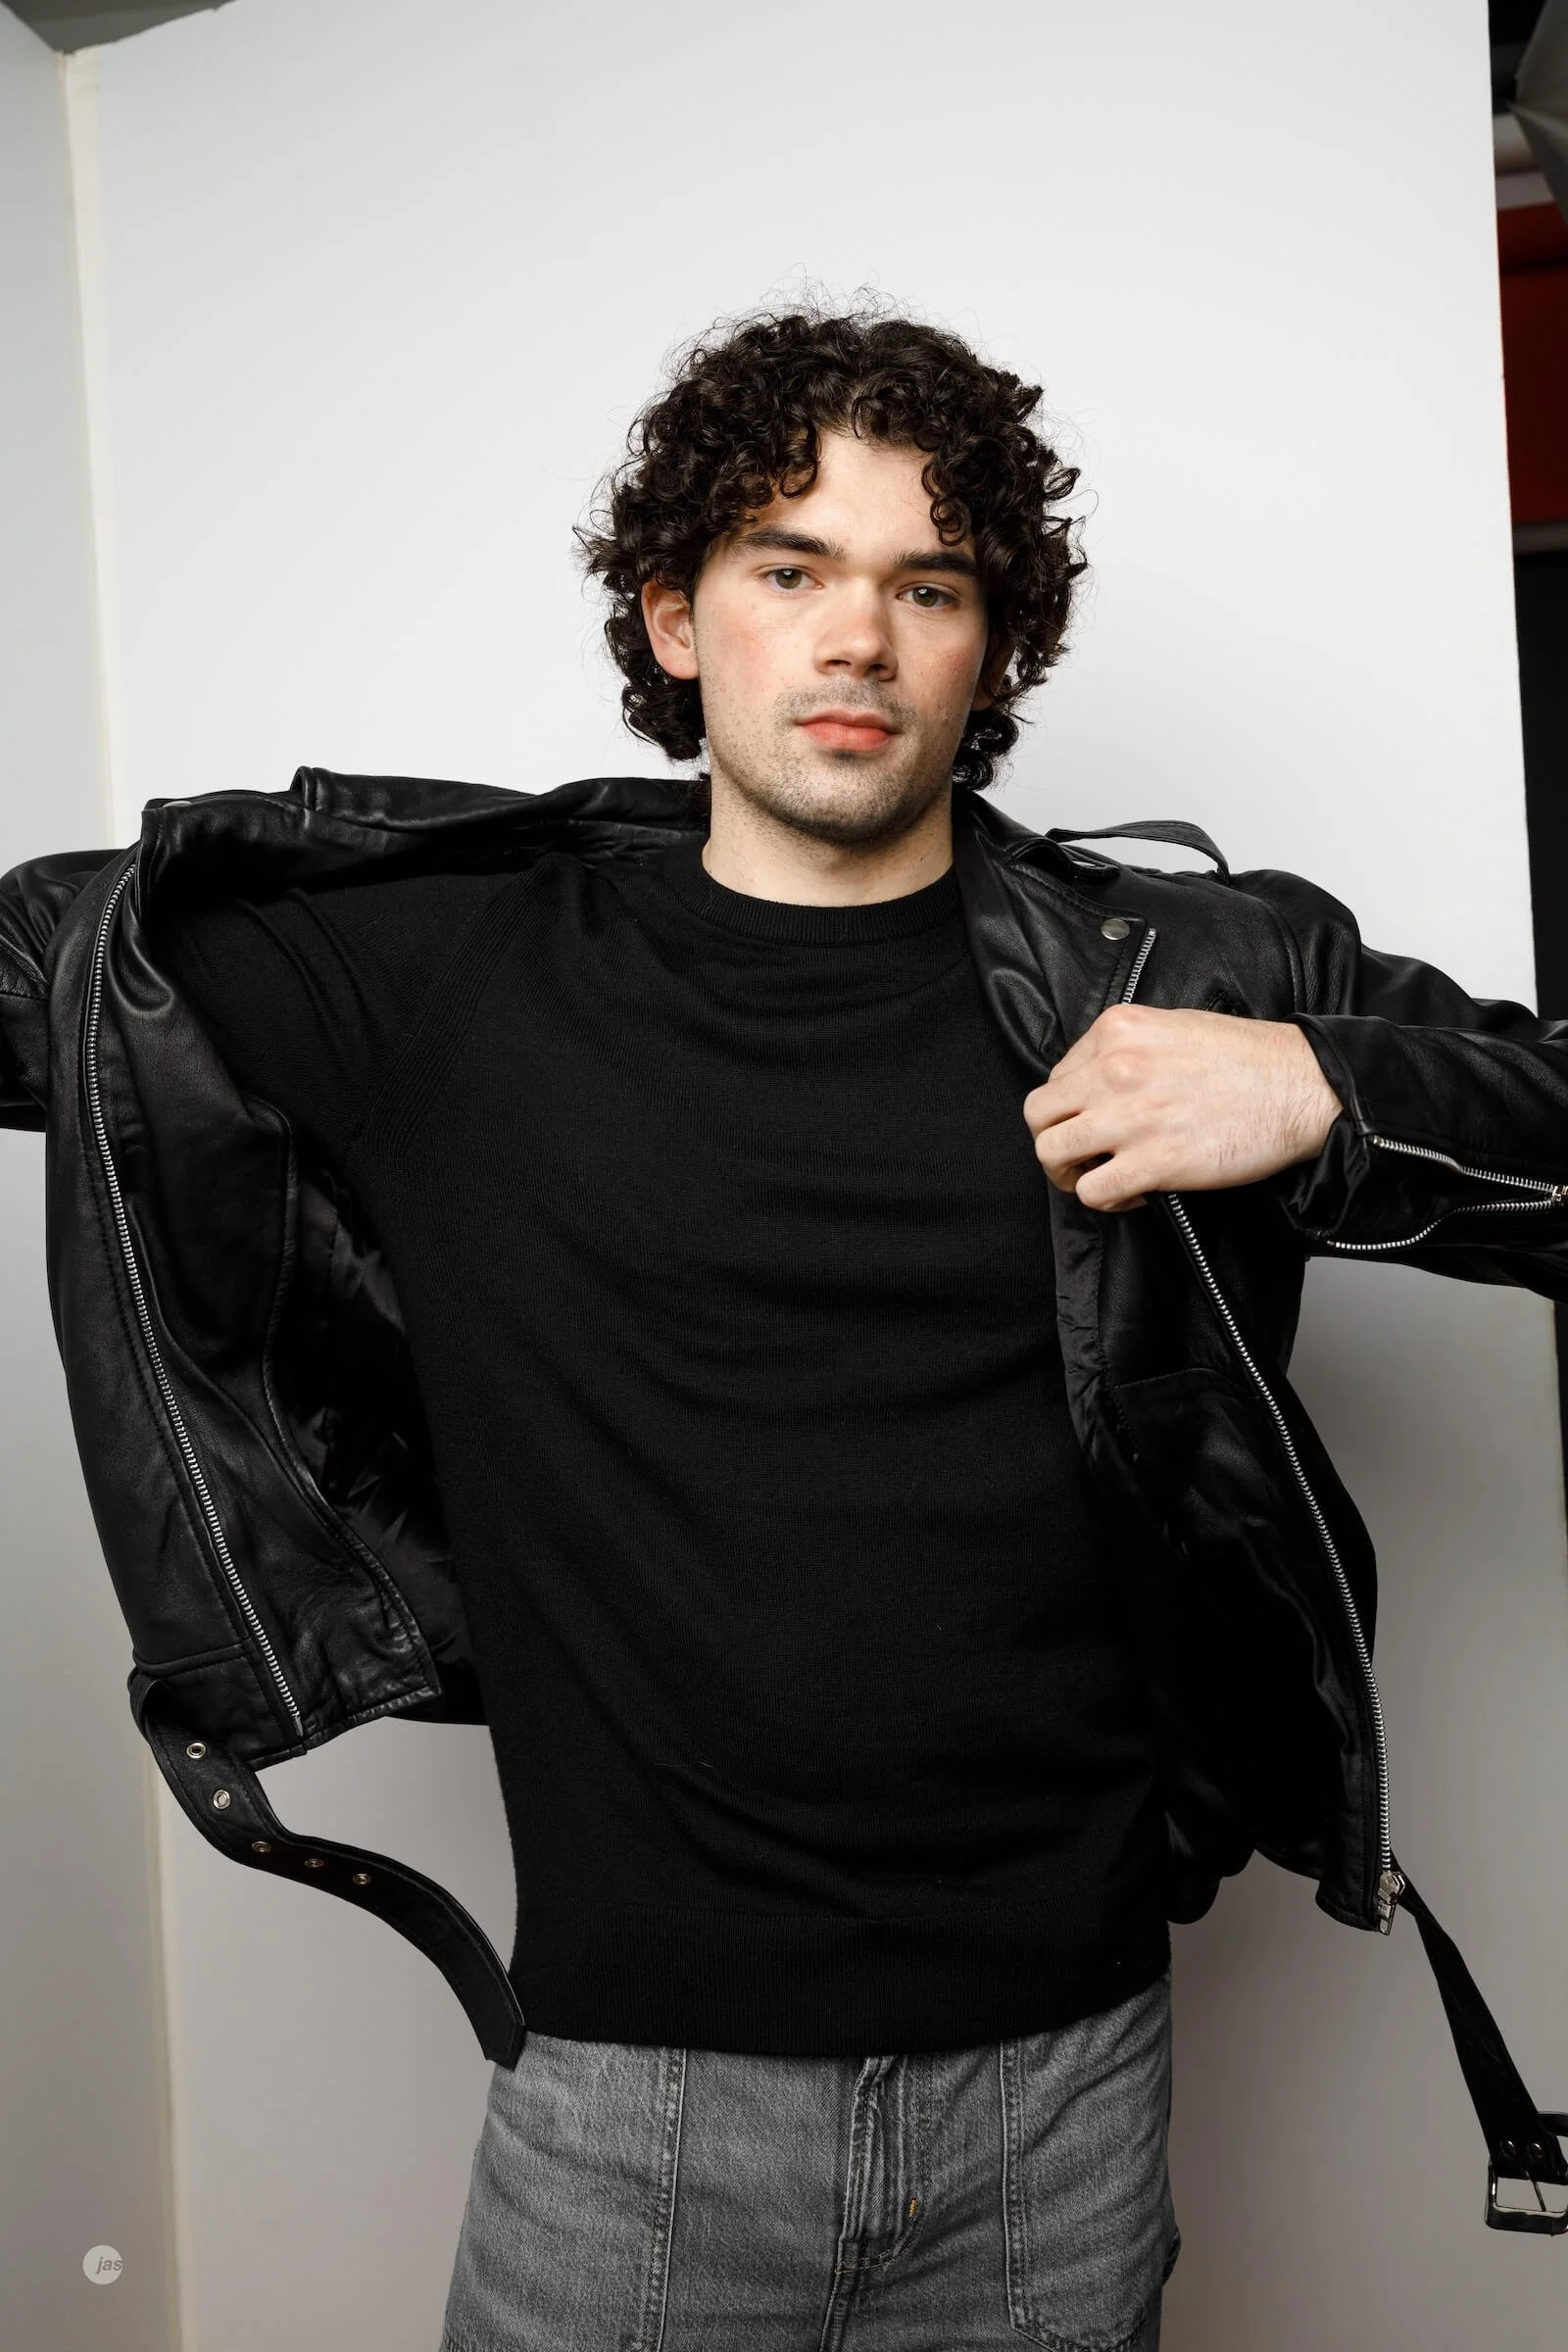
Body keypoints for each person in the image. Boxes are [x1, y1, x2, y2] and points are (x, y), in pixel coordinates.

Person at [4, 302, 1567, 2346]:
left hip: (1071, 2098)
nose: (854, 638)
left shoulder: (1178, 968)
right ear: (673, 618)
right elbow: (47, 969)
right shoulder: (439, 965)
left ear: (986, 649)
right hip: (627, 2115)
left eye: (924, 586)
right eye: (787, 570)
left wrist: (1324, 1093)